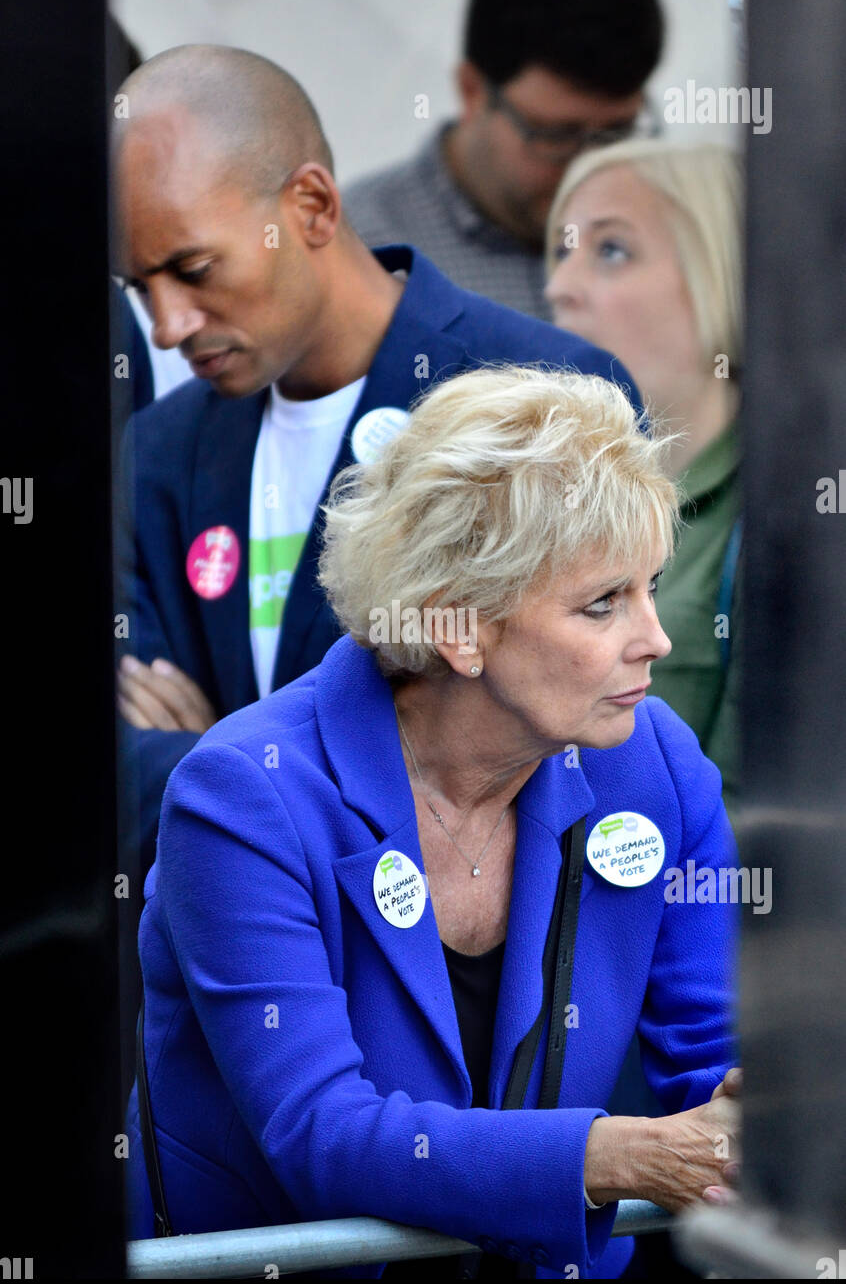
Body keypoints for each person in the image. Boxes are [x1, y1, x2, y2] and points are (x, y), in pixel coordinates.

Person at [126, 365, 741, 1281]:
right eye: (603, 602)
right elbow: (321, 1135)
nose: (654, 638)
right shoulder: (242, 795)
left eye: (653, 586)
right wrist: (611, 1159)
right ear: (460, 629)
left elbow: (718, 1046)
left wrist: (765, 1111)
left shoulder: (653, 757)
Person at [111, 44, 640, 875]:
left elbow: (586, 733)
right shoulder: (158, 449)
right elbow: (111, 775)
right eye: (142, 288)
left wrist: (221, 756)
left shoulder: (550, 399)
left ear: (313, 205)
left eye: (194, 269)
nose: (170, 324)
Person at [545, 141, 743, 813]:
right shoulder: (536, 492)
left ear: (720, 268)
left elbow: (772, 822)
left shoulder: (791, 509)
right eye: (561, 251)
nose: (558, 286)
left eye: (611, 250)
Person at [343, 0, 663, 320]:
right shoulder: (361, 254)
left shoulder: (673, 229)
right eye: (555, 135)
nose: (588, 167)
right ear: (472, 92)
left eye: (617, 133)